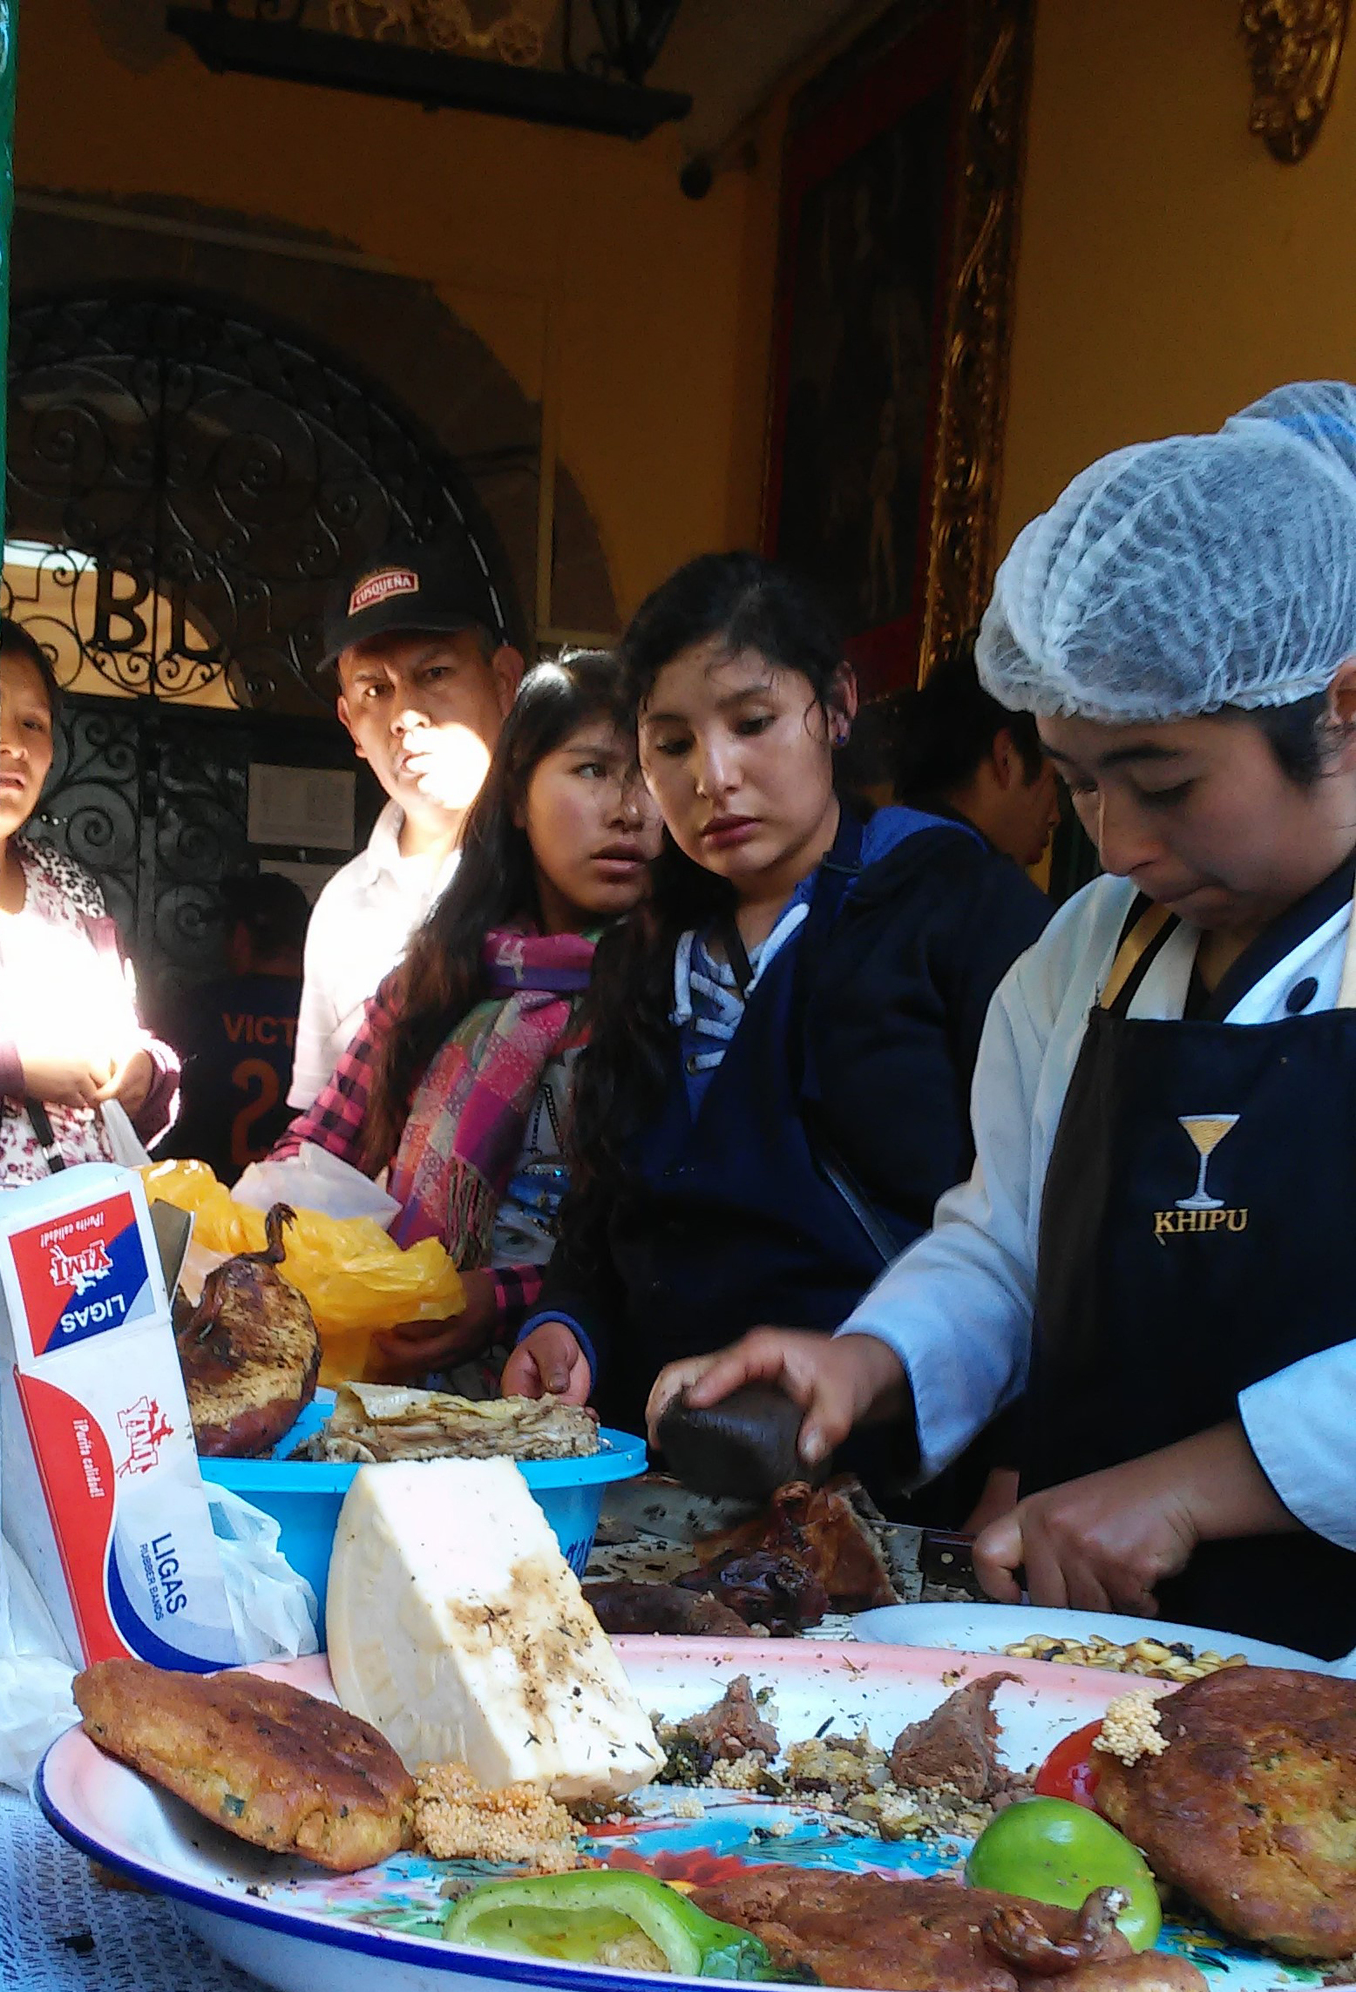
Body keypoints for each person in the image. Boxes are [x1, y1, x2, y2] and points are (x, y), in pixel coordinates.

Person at [651, 384, 1356, 1659]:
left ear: (1343, 709)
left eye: (1165, 782)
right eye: (1082, 784)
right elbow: (1005, 1243)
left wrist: (1196, 1484)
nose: (1120, 840)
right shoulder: (1086, 951)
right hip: (1101, 1648)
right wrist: (865, 1361)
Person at [501, 553, 1053, 1470]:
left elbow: (1039, 1222)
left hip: (886, 1484)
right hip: (652, 1474)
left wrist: (1019, 1465)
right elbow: (603, 1220)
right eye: (671, 743)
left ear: (835, 707)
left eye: (753, 722)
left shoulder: (954, 908)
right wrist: (569, 1326)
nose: (713, 776)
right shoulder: (646, 953)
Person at [277, 651, 659, 1389]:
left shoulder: (680, 991)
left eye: (649, 771)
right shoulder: (438, 979)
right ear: (517, 796)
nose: (629, 809)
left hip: (591, 1400)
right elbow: (316, 1156)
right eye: (592, 770)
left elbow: (669, 1232)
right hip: (398, 1399)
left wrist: (504, 1299)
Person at [288, 540, 523, 1110]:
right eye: (376, 689)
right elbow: (318, 1125)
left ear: (504, 680)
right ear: (349, 722)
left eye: (435, 672)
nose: (405, 715)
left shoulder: (561, 866)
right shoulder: (343, 907)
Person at [0, 620, 178, 1183]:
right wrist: (19, 1067)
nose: (14, 745)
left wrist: (144, 1069)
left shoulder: (71, 888)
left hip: (86, 1231)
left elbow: (125, 1030)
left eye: (33, 724)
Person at [157, 872, 311, 1183]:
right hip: (303, 1208)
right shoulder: (332, 1017)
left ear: (240, 937)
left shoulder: (195, 1009)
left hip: (208, 1200)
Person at [891, 639, 1061, 871]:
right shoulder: (998, 901)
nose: (1055, 817)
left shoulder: (857, 861)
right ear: (1006, 758)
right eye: (1055, 778)